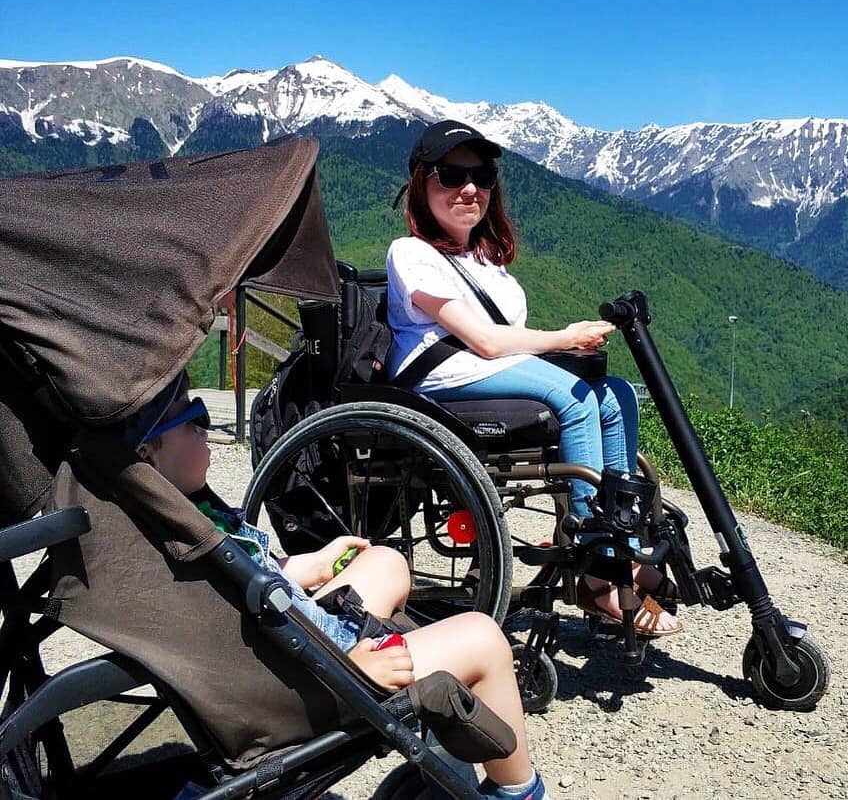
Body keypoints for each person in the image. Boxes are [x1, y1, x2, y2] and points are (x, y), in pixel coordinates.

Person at [136, 381, 552, 800]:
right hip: (304, 680)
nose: (206, 428)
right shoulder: (177, 548)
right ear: (146, 452)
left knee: (386, 563)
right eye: (193, 420)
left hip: (296, 643)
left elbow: (245, 583)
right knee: (482, 637)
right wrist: (347, 669)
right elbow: (226, 648)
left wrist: (309, 565)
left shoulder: (173, 519)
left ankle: (433, 732)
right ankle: (517, 790)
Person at [387, 120, 682, 638]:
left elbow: (506, 344)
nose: (470, 188)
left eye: (481, 175)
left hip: (484, 374)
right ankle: (596, 571)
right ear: (421, 183)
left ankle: (620, 545)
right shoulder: (410, 253)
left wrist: (565, 343)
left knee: (615, 398)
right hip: (441, 383)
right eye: (451, 175)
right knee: (573, 397)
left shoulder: (484, 261)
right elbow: (485, 342)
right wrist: (566, 337)